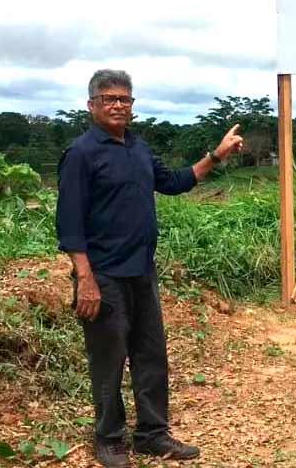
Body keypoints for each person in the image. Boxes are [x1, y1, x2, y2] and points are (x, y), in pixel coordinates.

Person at [56, 69, 243, 467]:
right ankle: (108, 439)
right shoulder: (82, 154)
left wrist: (216, 155)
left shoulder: (138, 149)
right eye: (109, 98)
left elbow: (175, 181)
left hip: (142, 271)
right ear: (92, 105)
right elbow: (69, 223)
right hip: (103, 276)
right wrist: (84, 278)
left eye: (125, 99)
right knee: (108, 361)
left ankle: (152, 435)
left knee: (150, 356)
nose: (119, 105)